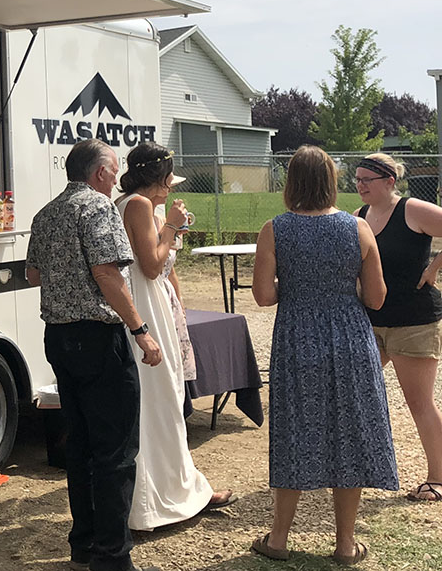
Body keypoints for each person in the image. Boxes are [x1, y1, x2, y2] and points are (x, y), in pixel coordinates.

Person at [251, 145, 397, 565]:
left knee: (295, 431)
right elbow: (376, 297)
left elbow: (262, 296)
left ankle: (278, 539)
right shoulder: (359, 229)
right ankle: (345, 544)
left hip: (297, 340)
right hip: (351, 340)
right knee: (350, 434)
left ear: (292, 182)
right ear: (331, 181)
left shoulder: (274, 229)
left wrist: (297, 291)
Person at [26, 139, 162, 571]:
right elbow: (107, 273)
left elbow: (33, 273)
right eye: (114, 168)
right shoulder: (98, 208)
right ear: (100, 173)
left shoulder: (46, 213)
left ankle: (83, 545)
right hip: (98, 337)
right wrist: (141, 330)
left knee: (81, 446)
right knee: (115, 452)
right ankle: (112, 555)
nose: (116, 176)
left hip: (59, 337)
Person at [113, 143, 234, 531]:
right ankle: (157, 499)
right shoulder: (138, 205)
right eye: (169, 179)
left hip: (151, 303)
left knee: (165, 398)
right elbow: (150, 265)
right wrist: (171, 226)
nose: (171, 188)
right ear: (160, 179)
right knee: (157, 399)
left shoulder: (133, 204)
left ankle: (183, 487)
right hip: (144, 304)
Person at [354, 152, 442, 503]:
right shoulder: (359, 216)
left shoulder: (413, 209)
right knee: (356, 391)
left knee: (419, 402)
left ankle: (437, 478)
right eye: (357, 179)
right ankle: (353, 470)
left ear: (389, 181)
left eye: (366, 180)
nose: (359, 185)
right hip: (371, 322)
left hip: (414, 321)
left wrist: (435, 267)